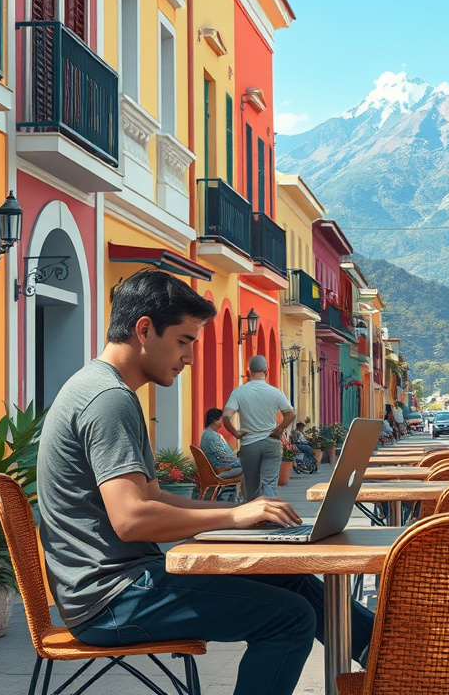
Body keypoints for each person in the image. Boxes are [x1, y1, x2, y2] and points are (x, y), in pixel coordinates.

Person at [36, 270, 375, 695]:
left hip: (124, 585)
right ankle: (400, 656)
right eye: (184, 341)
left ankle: (395, 657)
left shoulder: (107, 390)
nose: (191, 357)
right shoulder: (108, 400)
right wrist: (233, 514)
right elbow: (131, 519)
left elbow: (155, 497)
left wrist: (248, 516)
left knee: (291, 578)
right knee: (290, 617)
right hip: (111, 601)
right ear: (145, 329)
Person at [221, 354, 295, 501]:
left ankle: (254, 518)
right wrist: (279, 429)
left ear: (248, 372)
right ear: (266, 372)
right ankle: (271, 517)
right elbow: (290, 414)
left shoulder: (239, 392)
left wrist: (236, 434)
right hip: (271, 442)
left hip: (249, 444)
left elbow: (226, 417)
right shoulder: (275, 392)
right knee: (270, 484)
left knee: (252, 486)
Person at [199, 408, 243, 481]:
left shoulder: (206, 434)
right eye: (220, 419)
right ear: (214, 420)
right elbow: (224, 457)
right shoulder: (211, 436)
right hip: (223, 469)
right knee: (252, 465)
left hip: (221, 467)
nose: (221, 421)